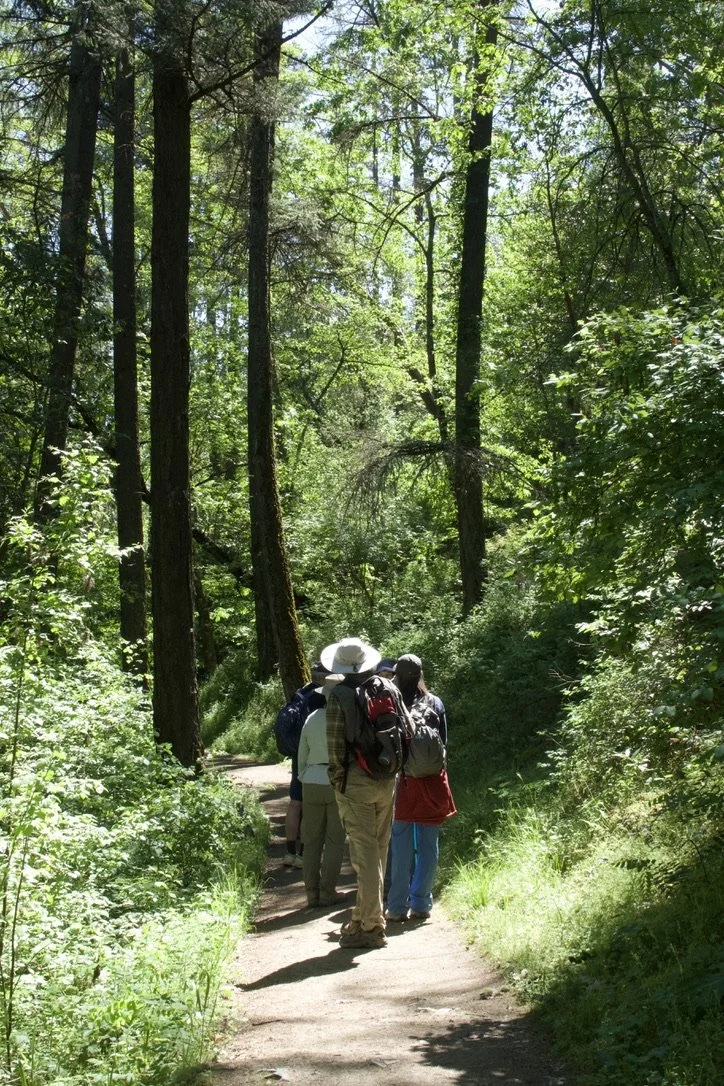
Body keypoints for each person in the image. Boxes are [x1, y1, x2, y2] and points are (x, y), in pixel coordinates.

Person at [324, 637, 400, 950]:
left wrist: (338, 781)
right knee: (377, 851)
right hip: (387, 778)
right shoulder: (388, 688)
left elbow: (335, 748)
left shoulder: (339, 695)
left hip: (356, 782)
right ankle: (359, 918)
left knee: (364, 853)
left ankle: (372, 926)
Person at [386, 653, 456, 922]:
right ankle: (422, 903)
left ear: (397, 675)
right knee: (429, 844)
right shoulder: (435, 702)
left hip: (403, 783)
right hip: (432, 781)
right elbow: (444, 743)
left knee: (401, 846)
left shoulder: (393, 703)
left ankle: (396, 907)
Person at [297, 674, 346, 908]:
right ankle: (328, 892)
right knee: (335, 840)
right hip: (336, 780)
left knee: (312, 839)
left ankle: (311, 893)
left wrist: (302, 776)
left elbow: (301, 754)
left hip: (311, 780)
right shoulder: (345, 718)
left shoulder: (312, 718)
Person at [282, 661, 327, 868]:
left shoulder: (300, 693)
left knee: (294, 803)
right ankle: (303, 854)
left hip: (297, 755)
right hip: (315, 757)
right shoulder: (321, 697)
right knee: (310, 808)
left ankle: (290, 853)